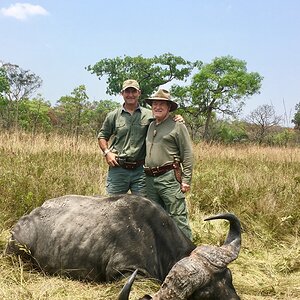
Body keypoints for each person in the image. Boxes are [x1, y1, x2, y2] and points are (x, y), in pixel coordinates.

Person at [98, 79, 183, 196]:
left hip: (141, 171)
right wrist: (107, 152)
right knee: (112, 206)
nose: (130, 95)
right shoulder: (113, 116)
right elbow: (102, 136)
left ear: (139, 93)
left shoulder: (149, 114)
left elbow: (163, 117)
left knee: (142, 208)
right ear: (122, 93)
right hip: (118, 168)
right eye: (127, 92)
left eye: (134, 92)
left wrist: (176, 117)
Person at [144, 89, 193, 239]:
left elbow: (188, 153)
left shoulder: (178, 126)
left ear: (169, 107)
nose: (157, 107)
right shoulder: (151, 125)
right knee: (154, 217)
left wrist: (186, 180)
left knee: (178, 217)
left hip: (169, 178)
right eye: (155, 104)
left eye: (162, 104)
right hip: (150, 178)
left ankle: (187, 254)